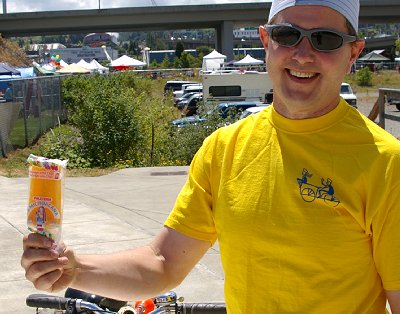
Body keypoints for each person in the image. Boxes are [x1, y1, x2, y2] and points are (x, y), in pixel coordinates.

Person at [21, 0, 400, 313]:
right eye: (288, 35)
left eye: (325, 39)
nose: (303, 54)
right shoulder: (224, 149)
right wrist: (72, 269)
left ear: (353, 52)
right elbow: (163, 264)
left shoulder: (385, 163)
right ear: (266, 40)